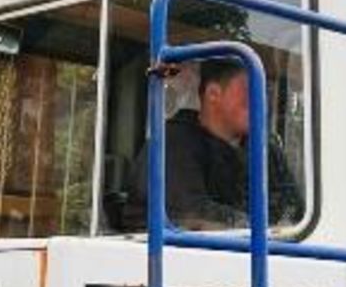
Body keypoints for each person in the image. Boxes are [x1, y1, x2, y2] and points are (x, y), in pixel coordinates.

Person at [112, 57, 304, 231]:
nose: (262, 102)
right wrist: (264, 226)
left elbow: (295, 208)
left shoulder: (266, 149)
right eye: (250, 91)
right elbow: (193, 214)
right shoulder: (172, 144)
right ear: (213, 94)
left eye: (265, 92)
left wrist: (283, 223)